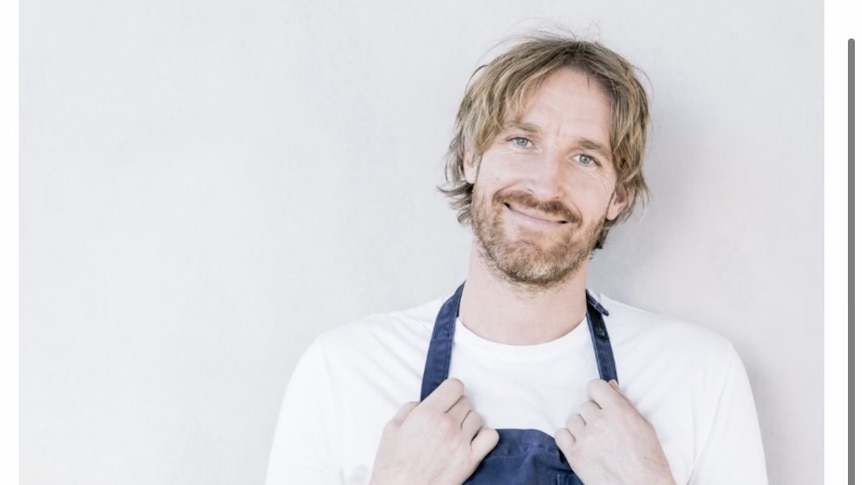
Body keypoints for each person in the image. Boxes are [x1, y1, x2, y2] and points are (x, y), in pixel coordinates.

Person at [265, 33, 769, 485]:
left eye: (585, 157)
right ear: (469, 157)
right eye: (521, 140)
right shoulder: (344, 370)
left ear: (619, 196)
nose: (547, 185)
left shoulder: (699, 374)